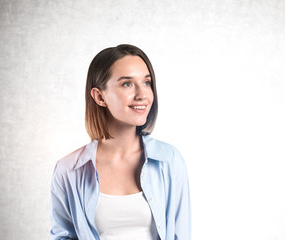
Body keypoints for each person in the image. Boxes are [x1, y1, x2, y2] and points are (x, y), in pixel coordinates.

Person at [50, 44, 191, 240]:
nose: (142, 95)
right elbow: (63, 236)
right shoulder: (69, 170)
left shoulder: (169, 160)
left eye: (147, 82)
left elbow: (180, 235)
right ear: (100, 97)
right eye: (127, 84)